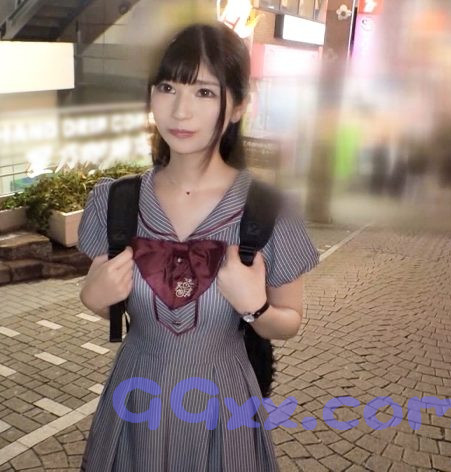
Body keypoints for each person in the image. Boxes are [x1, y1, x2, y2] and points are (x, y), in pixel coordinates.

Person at [77, 22, 319, 472]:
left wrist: (257, 308)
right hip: (136, 398)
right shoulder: (116, 202)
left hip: (223, 404)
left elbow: (290, 322)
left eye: (204, 92)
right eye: (167, 87)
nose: (180, 111)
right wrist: (92, 296)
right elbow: (105, 293)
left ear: (238, 105)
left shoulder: (268, 210)